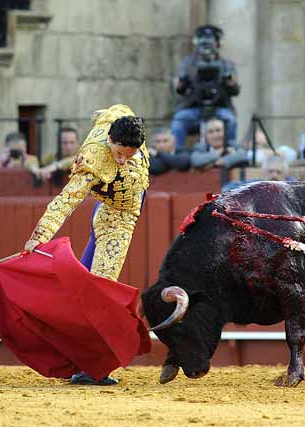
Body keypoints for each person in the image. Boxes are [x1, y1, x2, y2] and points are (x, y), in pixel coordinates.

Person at [23, 104, 149, 386]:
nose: (122, 162)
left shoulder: (119, 122)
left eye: (129, 157)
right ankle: (94, 368)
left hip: (110, 212)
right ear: (110, 142)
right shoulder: (92, 162)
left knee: (82, 289)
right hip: (115, 221)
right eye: (118, 154)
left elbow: (112, 110)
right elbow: (65, 201)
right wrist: (40, 235)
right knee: (100, 295)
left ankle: (74, 358)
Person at [170, 25, 240, 151]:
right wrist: (179, 83)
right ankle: (179, 153)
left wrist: (231, 83)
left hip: (220, 107)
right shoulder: (187, 64)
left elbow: (235, 90)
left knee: (231, 120)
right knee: (178, 121)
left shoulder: (227, 64)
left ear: (218, 43)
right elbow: (177, 89)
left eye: (211, 41)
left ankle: (230, 151)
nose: (207, 46)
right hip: (193, 107)